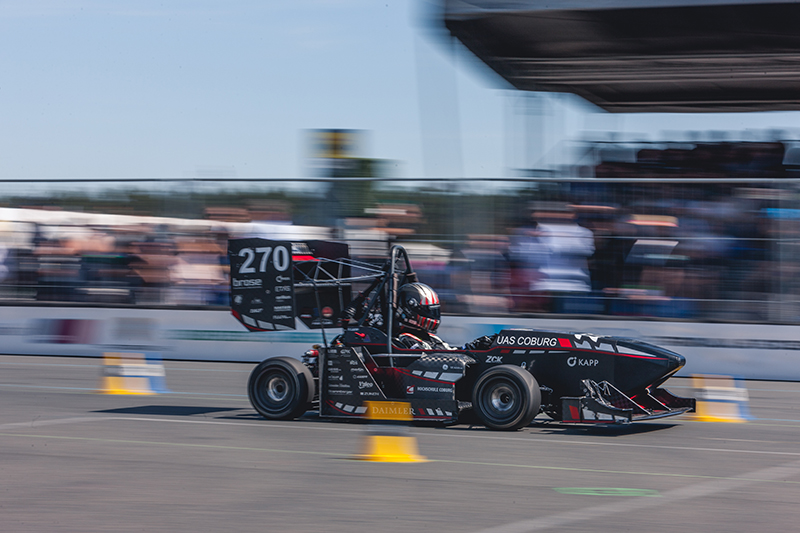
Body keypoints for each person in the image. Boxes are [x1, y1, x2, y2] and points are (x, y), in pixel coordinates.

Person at [394, 282, 455, 351]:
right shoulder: (406, 339)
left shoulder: (432, 338)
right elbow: (428, 359)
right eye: (429, 311)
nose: (433, 315)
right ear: (410, 312)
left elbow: (453, 352)